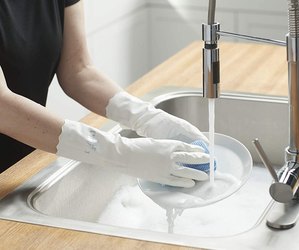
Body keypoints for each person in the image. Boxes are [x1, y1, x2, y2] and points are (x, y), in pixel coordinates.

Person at [0, 0, 210, 188]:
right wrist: (121, 154)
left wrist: (147, 117)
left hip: (19, 169)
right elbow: (2, 107)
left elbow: (78, 70)